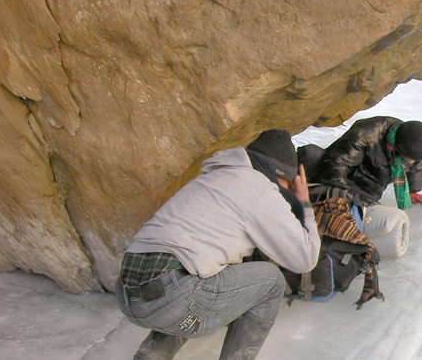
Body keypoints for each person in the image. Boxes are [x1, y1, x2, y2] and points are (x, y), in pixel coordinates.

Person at [115, 129, 321, 360]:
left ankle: (150, 356)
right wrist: (303, 202)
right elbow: (306, 258)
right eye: (287, 183)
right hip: (174, 299)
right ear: (278, 174)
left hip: (128, 296)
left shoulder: (213, 177)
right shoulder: (260, 188)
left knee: (198, 272)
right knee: (272, 281)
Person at [309, 116, 422, 209]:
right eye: (407, 158)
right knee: (310, 153)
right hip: (337, 177)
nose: (410, 162)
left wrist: (412, 190)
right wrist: (339, 197)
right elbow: (339, 163)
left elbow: (418, 165)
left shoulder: (415, 146)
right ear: (397, 146)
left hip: (369, 190)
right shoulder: (366, 134)